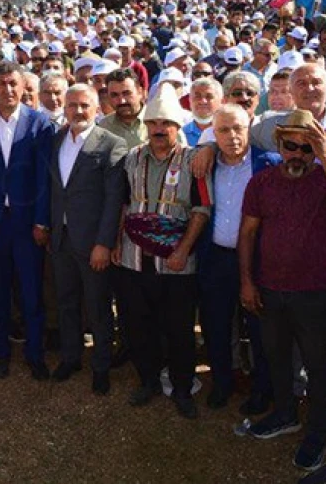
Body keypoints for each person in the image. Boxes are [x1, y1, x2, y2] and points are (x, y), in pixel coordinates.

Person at [238, 109, 326, 471]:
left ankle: (318, 432)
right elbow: (247, 233)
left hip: (314, 292)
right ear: (279, 144)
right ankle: (286, 413)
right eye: (291, 146)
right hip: (271, 289)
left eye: (307, 150)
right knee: (276, 356)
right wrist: (247, 280)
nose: (298, 155)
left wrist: (325, 156)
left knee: (318, 365)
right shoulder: (261, 183)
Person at [112, 84, 210, 420]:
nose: (158, 129)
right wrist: (115, 242)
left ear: (177, 127)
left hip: (176, 261)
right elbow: (124, 203)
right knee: (139, 323)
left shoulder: (193, 160)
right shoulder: (132, 158)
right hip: (134, 258)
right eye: (153, 123)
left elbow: (200, 210)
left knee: (179, 327)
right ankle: (149, 380)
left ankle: (182, 387)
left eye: (165, 123)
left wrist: (184, 250)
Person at [197, 105, 281, 411]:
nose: (232, 136)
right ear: (213, 134)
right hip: (216, 257)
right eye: (223, 130)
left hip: (258, 260)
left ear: (249, 127)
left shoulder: (268, 163)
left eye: (238, 129)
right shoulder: (207, 164)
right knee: (216, 324)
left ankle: (262, 389)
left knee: (260, 329)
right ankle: (222, 382)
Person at [48, 84, 128, 393]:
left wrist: (104, 244)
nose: (78, 111)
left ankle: (101, 365)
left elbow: (113, 200)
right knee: (66, 302)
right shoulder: (56, 141)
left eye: (84, 105)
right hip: (61, 238)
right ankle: (71, 357)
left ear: (97, 107)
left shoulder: (111, 144)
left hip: (93, 242)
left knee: (97, 306)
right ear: (65, 108)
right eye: (72, 105)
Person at [0, 62, 53, 380]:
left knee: (32, 291)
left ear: (23, 88)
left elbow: (46, 177)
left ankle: (35, 353)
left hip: (27, 223)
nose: (7, 90)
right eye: (1, 84)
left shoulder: (40, 123)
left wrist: (41, 222)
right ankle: (0, 352)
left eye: (13, 84)